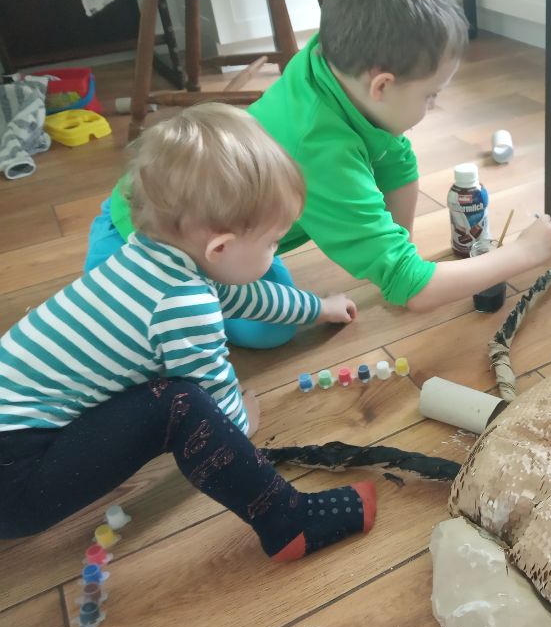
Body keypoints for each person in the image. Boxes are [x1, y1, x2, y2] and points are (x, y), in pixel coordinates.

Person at [88, 0, 551, 349]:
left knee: (277, 315)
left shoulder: (330, 58)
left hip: (224, 237)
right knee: (262, 331)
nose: (434, 106)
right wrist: (523, 253)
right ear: (381, 85)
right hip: (148, 240)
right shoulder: (319, 147)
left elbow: (397, 161)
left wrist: (394, 256)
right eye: (431, 95)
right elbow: (413, 291)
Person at [0, 104, 373, 562]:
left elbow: (247, 297)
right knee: (180, 402)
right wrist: (239, 422)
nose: (276, 250)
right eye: (273, 242)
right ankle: (288, 520)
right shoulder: (182, 304)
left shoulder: (151, 257)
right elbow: (209, 391)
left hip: (16, 434)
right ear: (220, 247)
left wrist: (319, 308)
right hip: (14, 478)